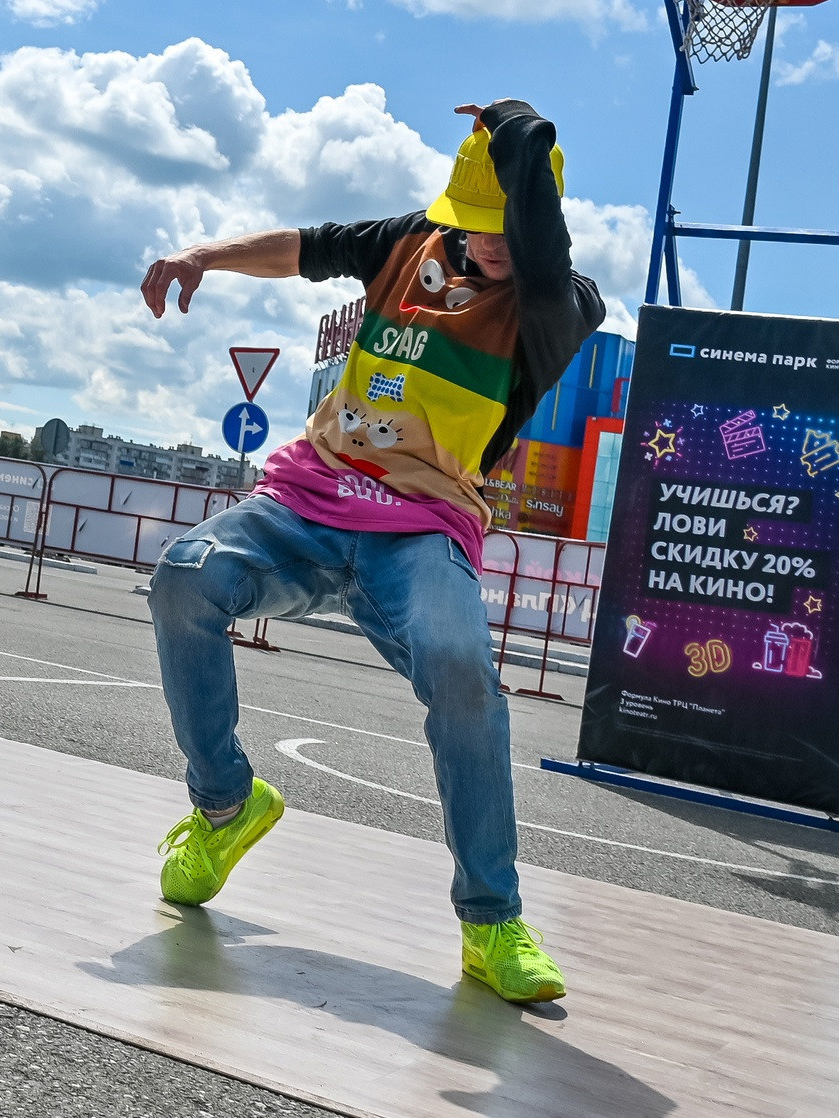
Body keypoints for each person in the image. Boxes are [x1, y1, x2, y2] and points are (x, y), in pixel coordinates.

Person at [137, 99, 599, 1005]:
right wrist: (203, 257)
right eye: (478, 227)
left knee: (463, 668)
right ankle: (226, 805)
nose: (493, 244)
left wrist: (517, 126)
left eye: (511, 227)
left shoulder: (558, 303)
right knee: (184, 579)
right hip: (308, 502)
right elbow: (302, 249)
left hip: (423, 528)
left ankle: (492, 919)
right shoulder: (409, 244)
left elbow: (538, 243)